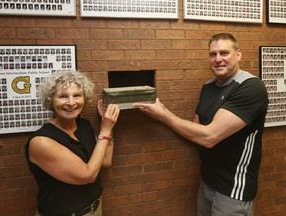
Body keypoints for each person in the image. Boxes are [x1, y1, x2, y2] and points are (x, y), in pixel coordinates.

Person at [133, 33, 269, 216]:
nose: (218, 59)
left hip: (233, 188)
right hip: (207, 181)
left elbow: (208, 137)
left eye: (224, 53)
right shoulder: (208, 86)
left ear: (238, 55)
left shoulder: (251, 87)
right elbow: (197, 127)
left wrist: (163, 115)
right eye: (213, 54)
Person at [25, 70, 120, 216]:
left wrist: (107, 127)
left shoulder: (84, 125)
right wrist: (105, 130)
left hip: (94, 209)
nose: (71, 102)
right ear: (51, 100)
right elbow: (88, 175)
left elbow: (105, 161)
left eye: (77, 95)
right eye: (63, 96)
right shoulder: (41, 142)